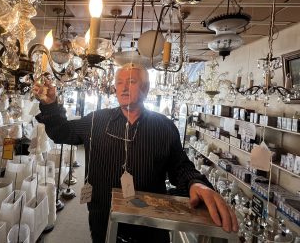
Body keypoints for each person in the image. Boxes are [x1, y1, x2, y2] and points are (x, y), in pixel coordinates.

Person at [33, 63, 238, 243]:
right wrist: (50, 105)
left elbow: (180, 166)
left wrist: (196, 183)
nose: (122, 87)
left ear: (146, 88)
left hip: (149, 222)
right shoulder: (96, 120)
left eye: (131, 81)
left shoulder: (164, 126)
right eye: (119, 82)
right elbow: (61, 132)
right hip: (102, 215)